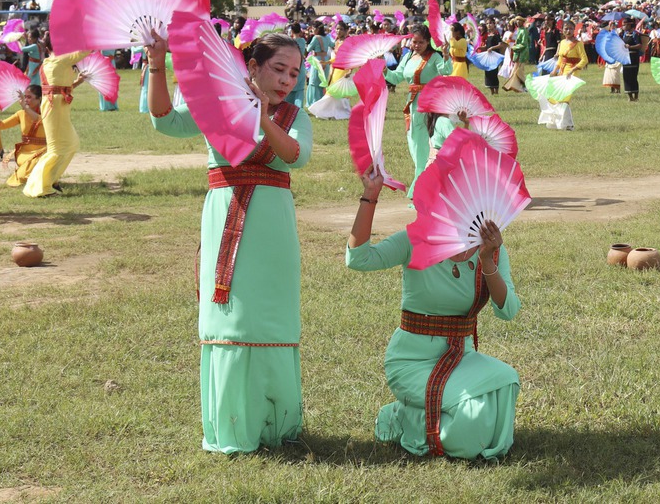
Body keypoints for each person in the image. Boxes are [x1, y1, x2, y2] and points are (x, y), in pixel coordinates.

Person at [148, 31, 311, 454]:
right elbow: (164, 119)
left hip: (273, 229)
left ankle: (277, 427)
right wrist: (156, 61)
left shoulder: (293, 114)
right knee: (231, 320)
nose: (286, 80)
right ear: (252, 67)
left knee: (273, 319)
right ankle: (233, 429)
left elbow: (295, 154)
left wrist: (262, 118)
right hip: (225, 218)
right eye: (278, 69)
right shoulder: (216, 106)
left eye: (293, 73)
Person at [346, 168, 520, 460]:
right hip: (411, 360)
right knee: (469, 427)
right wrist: (370, 196)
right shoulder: (416, 240)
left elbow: (508, 311)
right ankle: (402, 418)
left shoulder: (492, 250)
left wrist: (487, 261)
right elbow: (358, 259)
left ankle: (421, 414)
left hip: (460, 358)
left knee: (506, 380)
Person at [384, 26, 452, 198]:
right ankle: (424, 183)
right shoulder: (407, 56)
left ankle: (421, 189)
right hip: (412, 106)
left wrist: (445, 55)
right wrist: (383, 68)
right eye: (414, 41)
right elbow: (396, 77)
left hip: (430, 106)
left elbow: (446, 70)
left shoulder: (434, 56)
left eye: (421, 42)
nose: (417, 45)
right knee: (414, 144)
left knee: (425, 146)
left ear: (428, 41)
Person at [23, 41, 91, 198]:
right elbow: (84, 51)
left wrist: (78, 82)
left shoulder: (51, 61)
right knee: (58, 148)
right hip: (55, 108)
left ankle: (50, 180)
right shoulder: (59, 60)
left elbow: (58, 87)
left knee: (70, 144)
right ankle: (41, 186)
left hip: (57, 107)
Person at [0, 84, 46, 187]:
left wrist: (25, 107)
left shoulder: (47, 113)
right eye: (25, 96)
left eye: (29, 97)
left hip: (43, 151)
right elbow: (0, 125)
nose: (26, 99)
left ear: (39, 99)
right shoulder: (21, 113)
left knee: (41, 162)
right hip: (25, 153)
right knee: (24, 176)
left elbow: (38, 120)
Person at [539, 25, 586, 130]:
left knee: (564, 97)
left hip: (572, 73)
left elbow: (584, 60)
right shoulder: (562, 43)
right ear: (562, 30)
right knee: (556, 96)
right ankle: (556, 123)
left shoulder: (578, 44)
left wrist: (573, 69)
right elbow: (560, 59)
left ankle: (568, 124)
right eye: (566, 29)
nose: (568, 31)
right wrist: (554, 71)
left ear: (574, 30)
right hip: (562, 72)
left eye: (570, 29)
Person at [304, 23, 330, 107]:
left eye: (313, 28)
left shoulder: (315, 38)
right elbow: (333, 45)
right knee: (322, 83)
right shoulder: (327, 37)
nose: (312, 30)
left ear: (317, 29)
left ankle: (314, 103)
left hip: (317, 61)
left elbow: (308, 49)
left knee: (314, 83)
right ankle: (322, 103)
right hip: (326, 61)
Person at [620, 17, 643, 101]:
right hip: (625, 57)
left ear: (629, 25)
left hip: (633, 57)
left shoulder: (635, 34)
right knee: (626, 76)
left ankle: (636, 96)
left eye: (624, 25)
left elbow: (639, 45)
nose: (623, 27)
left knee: (633, 76)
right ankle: (630, 97)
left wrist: (630, 47)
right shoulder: (624, 34)